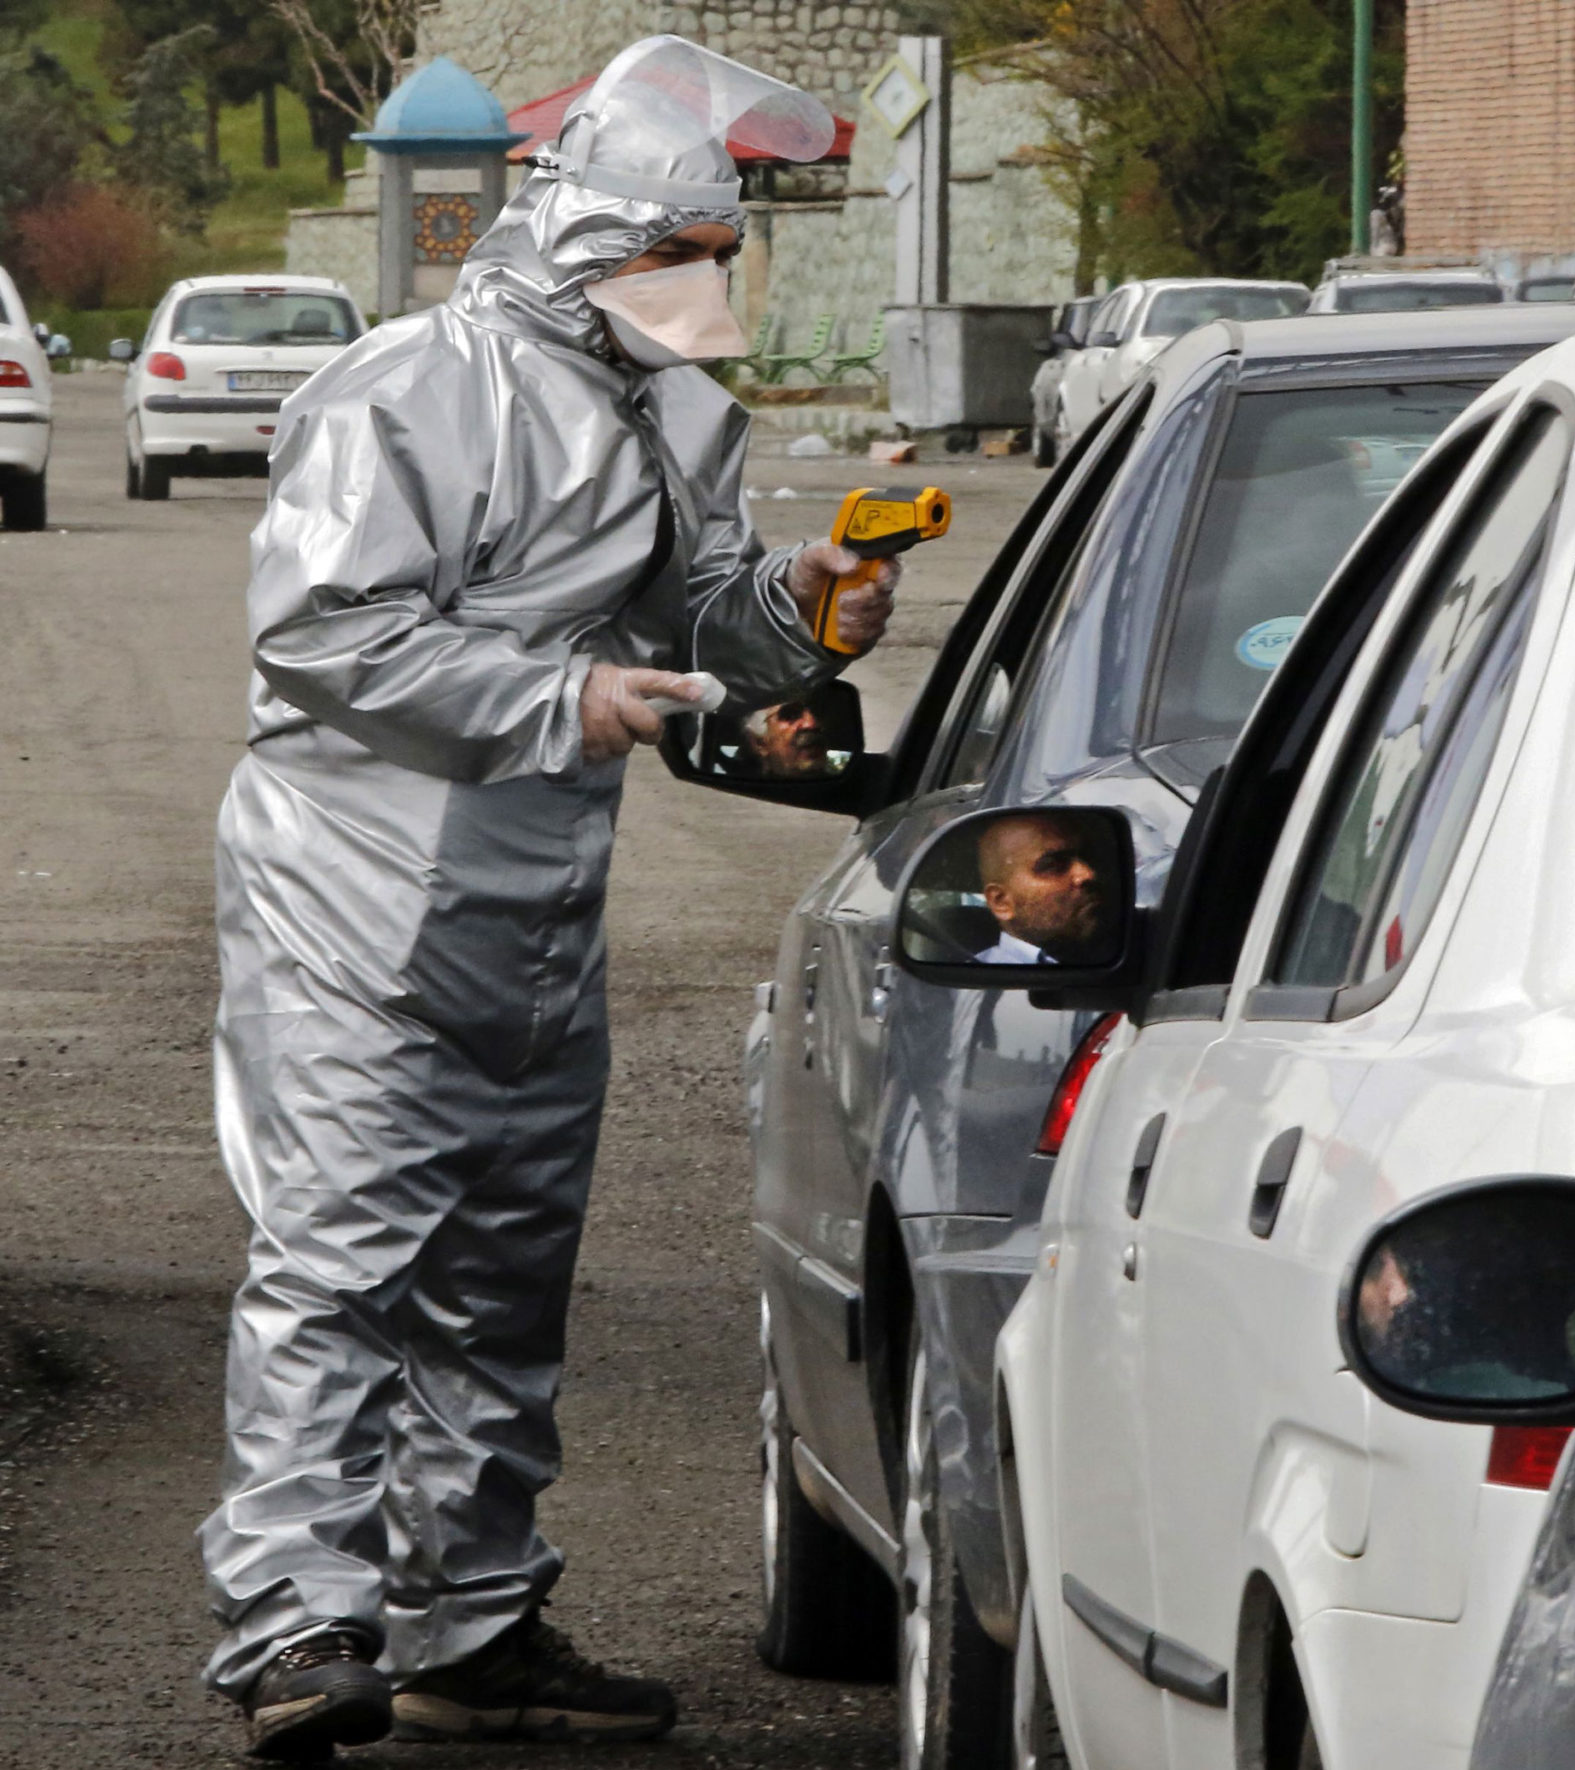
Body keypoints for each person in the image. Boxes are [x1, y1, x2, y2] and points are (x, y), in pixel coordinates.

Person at [201, 38, 892, 1760]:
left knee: (505, 1270)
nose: (713, 285)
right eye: (692, 252)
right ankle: (297, 1622)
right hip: (358, 892)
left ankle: (474, 1618)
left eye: (726, 255)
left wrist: (806, 613)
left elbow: (702, 601)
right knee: (343, 1257)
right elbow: (325, 634)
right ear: (597, 241)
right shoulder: (407, 389)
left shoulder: (669, 402)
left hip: (534, 896)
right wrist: (562, 700)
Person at [973, 813, 1108, 964]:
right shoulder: (977, 980)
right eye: (1053, 865)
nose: (1087, 874)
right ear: (1001, 902)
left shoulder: (1114, 946)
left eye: (1086, 857)